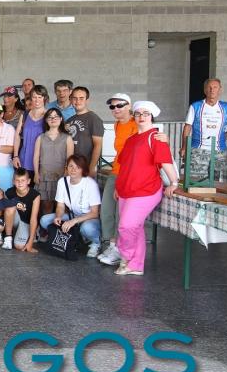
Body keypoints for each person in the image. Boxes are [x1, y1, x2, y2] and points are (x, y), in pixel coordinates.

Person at [114, 101, 178, 276]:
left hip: (146, 190)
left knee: (126, 226)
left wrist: (174, 183)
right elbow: (124, 166)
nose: (141, 117)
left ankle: (125, 257)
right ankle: (136, 265)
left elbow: (166, 162)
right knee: (136, 227)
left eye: (146, 113)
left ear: (152, 117)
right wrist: (118, 186)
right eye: (138, 113)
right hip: (126, 189)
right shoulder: (131, 140)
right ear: (134, 116)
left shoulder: (156, 137)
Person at [99, 93, 138, 266]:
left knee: (120, 212)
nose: (116, 109)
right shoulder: (116, 125)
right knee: (107, 208)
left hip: (129, 174)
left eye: (119, 105)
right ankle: (111, 243)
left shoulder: (135, 124)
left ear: (129, 106)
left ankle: (119, 248)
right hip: (116, 170)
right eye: (112, 107)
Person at [39, 154, 102, 258]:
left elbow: (95, 213)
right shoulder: (62, 182)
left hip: (88, 217)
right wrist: (58, 216)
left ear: (83, 169)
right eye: (71, 166)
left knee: (87, 228)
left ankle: (96, 242)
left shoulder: (90, 184)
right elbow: (60, 205)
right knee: (44, 220)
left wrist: (73, 221)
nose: (73, 170)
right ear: (66, 167)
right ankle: (76, 237)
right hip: (72, 215)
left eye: (78, 167)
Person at [180, 78, 227, 180]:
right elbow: (188, 126)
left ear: (220, 90)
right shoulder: (196, 106)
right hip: (197, 150)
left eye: (215, 87)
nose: (212, 90)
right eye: (209, 87)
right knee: (194, 182)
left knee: (218, 183)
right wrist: (184, 147)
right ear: (205, 90)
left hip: (219, 151)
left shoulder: (226, 107)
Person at [33, 107, 74, 217]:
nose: (53, 119)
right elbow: (36, 157)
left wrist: (67, 174)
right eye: (50, 117)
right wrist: (36, 174)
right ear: (46, 120)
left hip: (61, 175)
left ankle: (63, 231)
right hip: (44, 176)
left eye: (56, 116)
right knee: (46, 205)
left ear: (61, 119)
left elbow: (70, 159)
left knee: (63, 205)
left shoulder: (67, 138)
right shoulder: (41, 137)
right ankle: (47, 231)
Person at [66, 86, 104, 177]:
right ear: (70, 100)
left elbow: (98, 145)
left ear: (87, 100)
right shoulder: (69, 120)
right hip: (71, 167)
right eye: (74, 98)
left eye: (81, 98)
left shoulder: (94, 119)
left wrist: (91, 167)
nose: (77, 101)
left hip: (85, 167)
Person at [2, 167, 41, 252]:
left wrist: (30, 242)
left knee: (19, 246)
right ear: (13, 181)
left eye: (23, 180)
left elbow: (34, 219)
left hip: (27, 222)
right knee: (10, 206)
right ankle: (8, 238)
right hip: (15, 220)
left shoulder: (35, 195)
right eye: (17, 180)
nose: (20, 183)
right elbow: (4, 211)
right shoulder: (9, 192)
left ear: (28, 181)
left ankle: (34, 234)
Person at [13, 84, 48, 179]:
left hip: (41, 161)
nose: (36, 100)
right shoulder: (25, 115)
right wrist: (15, 156)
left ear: (44, 98)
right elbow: (17, 136)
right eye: (34, 97)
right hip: (23, 159)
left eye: (39, 97)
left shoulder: (49, 116)